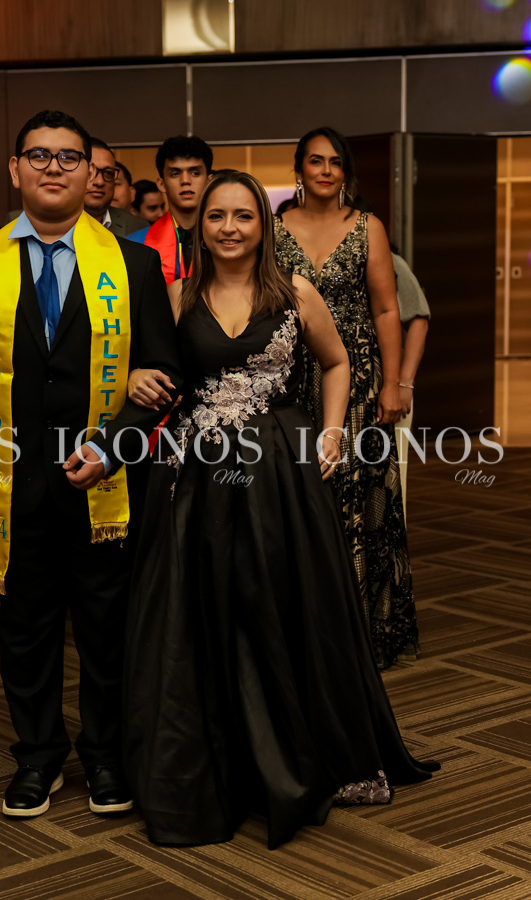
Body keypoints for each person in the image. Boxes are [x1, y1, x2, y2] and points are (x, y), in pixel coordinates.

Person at [124, 171, 438, 849]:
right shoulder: (178, 295)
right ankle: (216, 757)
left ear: (262, 226)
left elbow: (336, 362)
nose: (230, 228)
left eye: (243, 216)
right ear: (200, 225)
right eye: (217, 216)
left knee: (276, 602)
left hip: (276, 473)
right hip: (197, 474)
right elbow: (150, 369)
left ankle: (294, 750)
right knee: (202, 607)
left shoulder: (294, 292)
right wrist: (135, 376)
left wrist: (332, 432)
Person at [0, 109, 181, 820]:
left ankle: (105, 756)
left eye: (69, 157)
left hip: (104, 484)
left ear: (91, 174)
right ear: (15, 170)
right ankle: (38, 757)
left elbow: (164, 378)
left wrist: (111, 446)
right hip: (9, 483)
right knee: (25, 629)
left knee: (107, 629)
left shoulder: (134, 265)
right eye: (38, 155)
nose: (53, 167)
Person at [273, 127, 417, 670]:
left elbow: (386, 309)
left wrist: (393, 382)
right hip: (289, 378)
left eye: (335, 162)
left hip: (355, 379)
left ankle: (357, 634)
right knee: (296, 493)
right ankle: (300, 628)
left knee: (356, 497)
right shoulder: (273, 227)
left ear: (346, 171)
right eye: (316, 161)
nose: (326, 170)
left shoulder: (367, 226)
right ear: (299, 170)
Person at [129, 135, 213, 284]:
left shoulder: (227, 239)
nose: (185, 181)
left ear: (209, 181)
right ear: (161, 184)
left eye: (195, 173)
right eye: (175, 174)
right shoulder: (135, 245)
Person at [390, 246, 430, 509]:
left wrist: (405, 383)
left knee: (393, 481)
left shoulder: (391, 261)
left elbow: (419, 319)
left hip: (388, 386)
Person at [84, 138, 148, 237]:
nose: (100, 182)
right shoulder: (58, 225)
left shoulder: (137, 227)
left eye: (108, 173)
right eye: (90, 172)